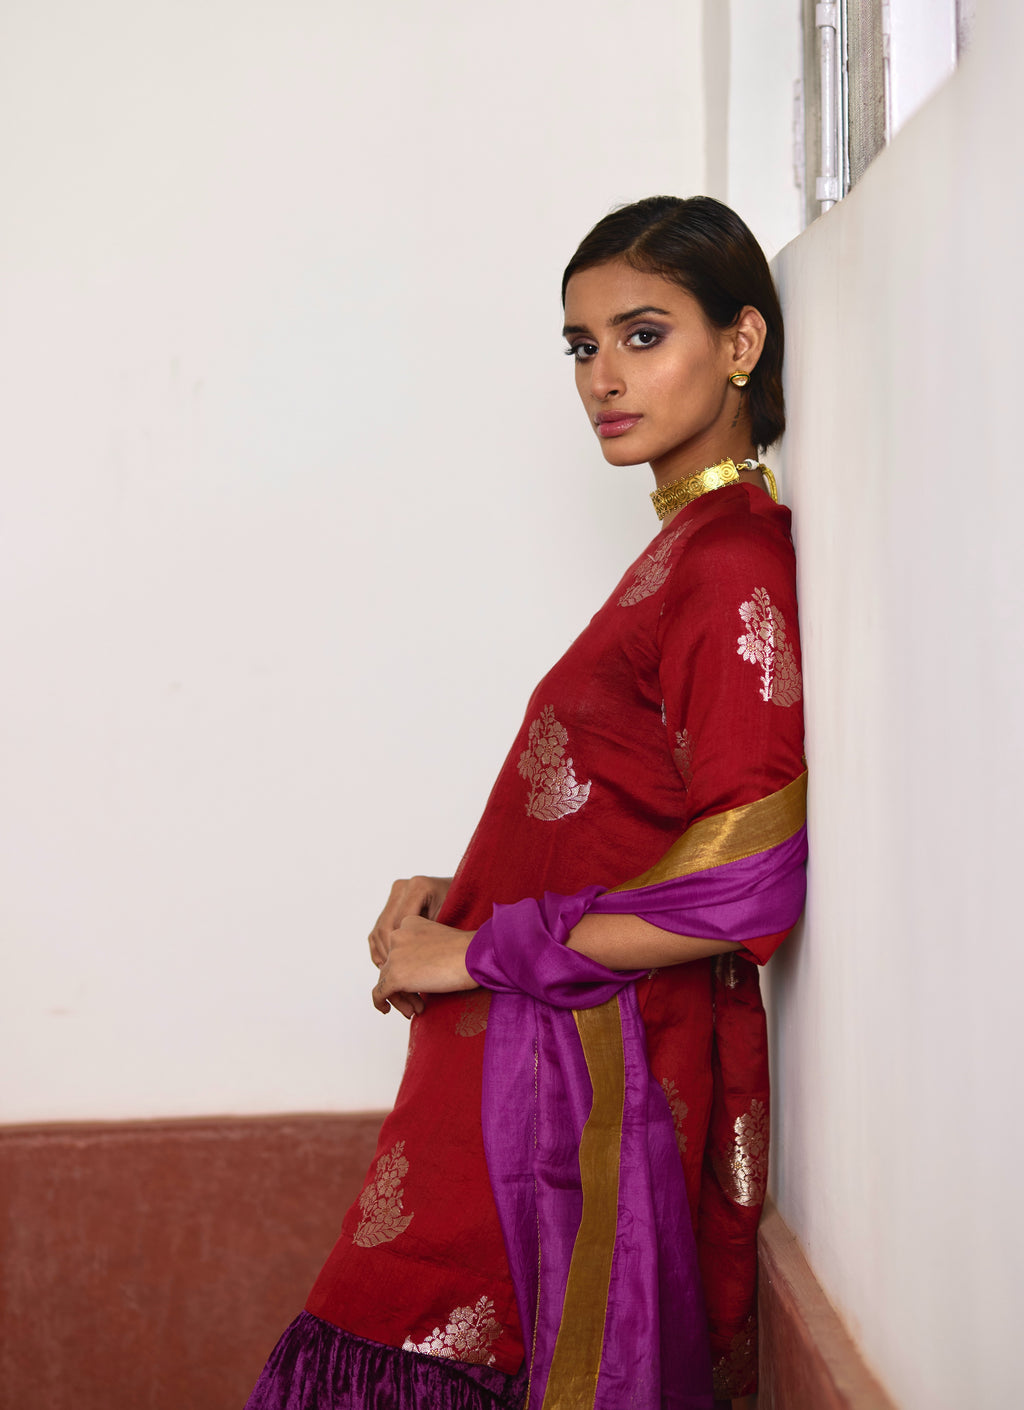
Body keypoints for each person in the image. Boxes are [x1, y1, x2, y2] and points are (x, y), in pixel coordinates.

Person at [245, 195, 807, 1410]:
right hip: (524, 1050)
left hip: (569, 1079)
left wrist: (480, 950)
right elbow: (616, 814)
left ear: (742, 344)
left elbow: (745, 884)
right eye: (581, 345)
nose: (602, 377)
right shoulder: (680, 549)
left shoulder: (730, 561)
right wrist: (463, 889)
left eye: (642, 335)